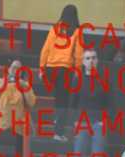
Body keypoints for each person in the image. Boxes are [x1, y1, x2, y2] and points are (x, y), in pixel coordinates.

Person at [67, 49, 110, 157]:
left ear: (97, 60)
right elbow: (72, 101)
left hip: (98, 123)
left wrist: (104, 121)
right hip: (82, 122)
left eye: (93, 58)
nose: (91, 61)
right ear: (83, 62)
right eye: (88, 58)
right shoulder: (78, 79)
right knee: (77, 156)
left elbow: (109, 102)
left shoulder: (103, 79)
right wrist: (75, 120)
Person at [40, 4, 84, 142]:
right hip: (64, 70)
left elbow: (45, 49)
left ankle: (56, 121)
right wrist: (78, 70)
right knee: (63, 101)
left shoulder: (54, 29)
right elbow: (79, 54)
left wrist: (42, 68)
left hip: (50, 69)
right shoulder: (77, 31)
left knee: (58, 98)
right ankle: (58, 131)